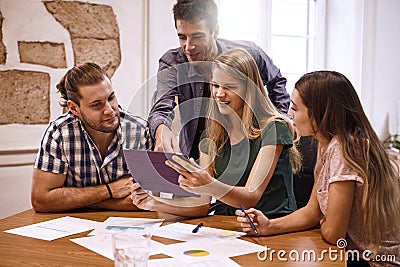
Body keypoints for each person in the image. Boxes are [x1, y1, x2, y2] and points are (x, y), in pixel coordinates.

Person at [236, 71, 400, 266]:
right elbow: (313, 212)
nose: (289, 113)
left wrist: (326, 223)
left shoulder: (343, 150)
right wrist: (269, 226)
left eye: (295, 108)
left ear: (319, 114)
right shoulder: (326, 144)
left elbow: (333, 233)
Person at [131, 48, 300, 218]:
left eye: (230, 87)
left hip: (273, 226)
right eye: (215, 85)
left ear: (250, 89)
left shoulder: (275, 127)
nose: (219, 94)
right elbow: (201, 205)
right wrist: (152, 202)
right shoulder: (213, 134)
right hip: (230, 226)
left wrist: (208, 183)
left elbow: (250, 198)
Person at [148, 0, 290, 160]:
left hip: (247, 153)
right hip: (197, 156)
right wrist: (161, 130)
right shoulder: (172, 63)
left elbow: (277, 83)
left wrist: (275, 130)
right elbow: (161, 107)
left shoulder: (249, 54)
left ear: (215, 31)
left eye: (197, 36)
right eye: (182, 37)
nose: (188, 46)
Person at [31, 62, 149, 212]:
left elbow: (147, 200)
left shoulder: (139, 131)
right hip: (72, 227)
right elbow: (41, 200)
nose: (109, 110)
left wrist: (81, 201)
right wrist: (109, 191)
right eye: (96, 105)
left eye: (111, 98)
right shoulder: (59, 133)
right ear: (74, 108)